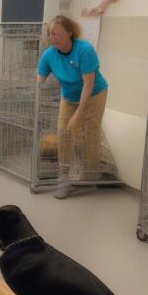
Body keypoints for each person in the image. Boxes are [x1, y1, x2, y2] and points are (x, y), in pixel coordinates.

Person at [37, 15, 108, 199]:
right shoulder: (49, 55)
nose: (52, 38)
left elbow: (88, 85)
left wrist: (78, 115)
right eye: (50, 34)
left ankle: (90, 178)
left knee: (89, 133)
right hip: (68, 97)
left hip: (93, 94)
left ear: (69, 33)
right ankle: (64, 179)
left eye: (57, 34)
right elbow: (38, 81)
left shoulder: (84, 50)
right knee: (64, 132)